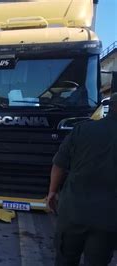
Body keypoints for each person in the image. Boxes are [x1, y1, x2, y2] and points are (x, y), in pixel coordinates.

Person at [47, 92, 117, 265]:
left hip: (73, 213)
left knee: (65, 259)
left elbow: (59, 165)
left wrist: (52, 192)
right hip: (109, 218)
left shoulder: (82, 129)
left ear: (111, 107)